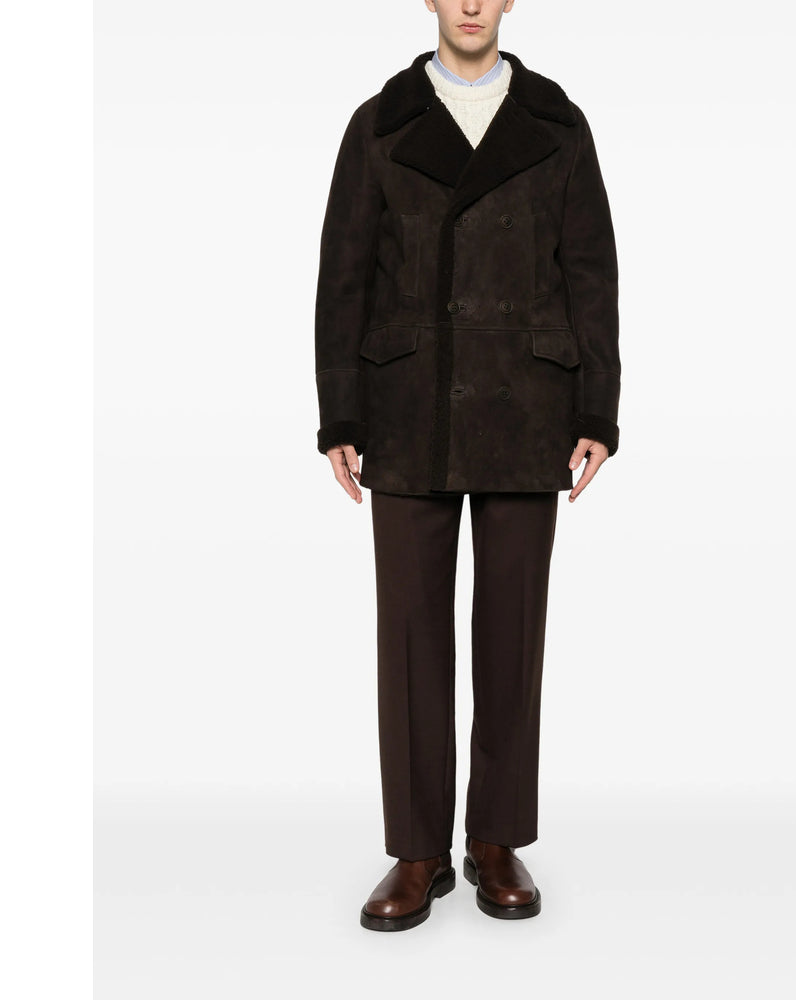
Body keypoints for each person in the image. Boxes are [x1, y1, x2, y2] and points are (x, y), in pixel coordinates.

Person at [314, 0, 621, 932]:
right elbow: (343, 275)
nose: (473, 3)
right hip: (408, 403)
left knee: (511, 633)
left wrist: (596, 409)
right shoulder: (380, 122)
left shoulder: (558, 122)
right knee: (409, 634)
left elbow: (592, 269)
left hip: (529, 401)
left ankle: (495, 839)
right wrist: (340, 413)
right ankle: (417, 850)